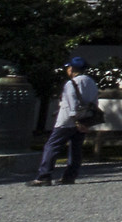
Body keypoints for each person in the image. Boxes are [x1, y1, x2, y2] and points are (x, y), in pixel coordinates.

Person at [30, 56, 102, 187]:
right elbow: (94, 102)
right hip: (85, 118)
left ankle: (44, 176)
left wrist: (75, 120)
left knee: (52, 146)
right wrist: (86, 122)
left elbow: (71, 102)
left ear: (72, 69)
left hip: (67, 120)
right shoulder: (91, 82)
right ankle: (70, 176)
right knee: (76, 148)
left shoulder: (71, 83)